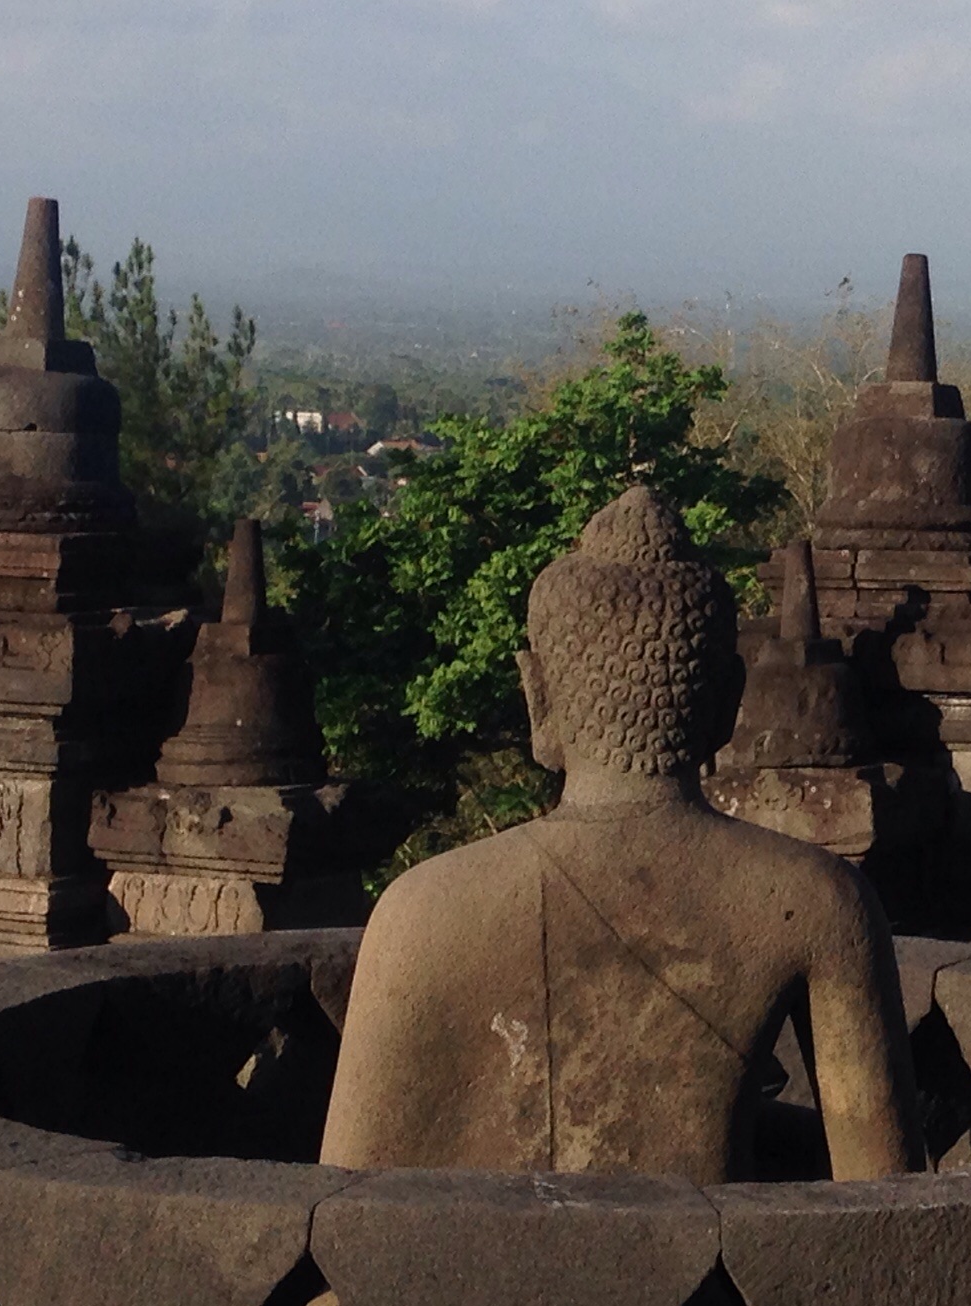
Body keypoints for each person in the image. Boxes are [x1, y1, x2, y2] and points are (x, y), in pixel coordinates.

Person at [320, 485, 922, 1181]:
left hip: (456, 1285)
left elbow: (344, 1207)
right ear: (728, 703)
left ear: (536, 695)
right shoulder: (818, 902)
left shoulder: (416, 911)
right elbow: (884, 1196)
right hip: (710, 1287)